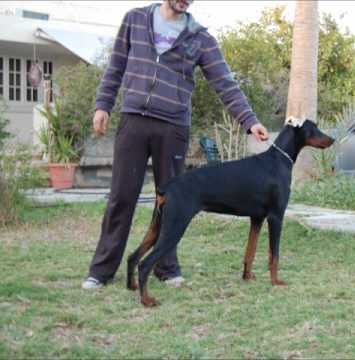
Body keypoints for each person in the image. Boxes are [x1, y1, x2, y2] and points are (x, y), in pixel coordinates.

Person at [82, 0, 269, 289]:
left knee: (175, 201)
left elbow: (224, 82)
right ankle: (101, 270)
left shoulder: (200, 37)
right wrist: (102, 105)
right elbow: (115, 66)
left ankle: (166, 268)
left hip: (173, 127)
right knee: (121, 197)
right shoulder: (135, 19)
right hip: (134, 120)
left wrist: (249, 120)